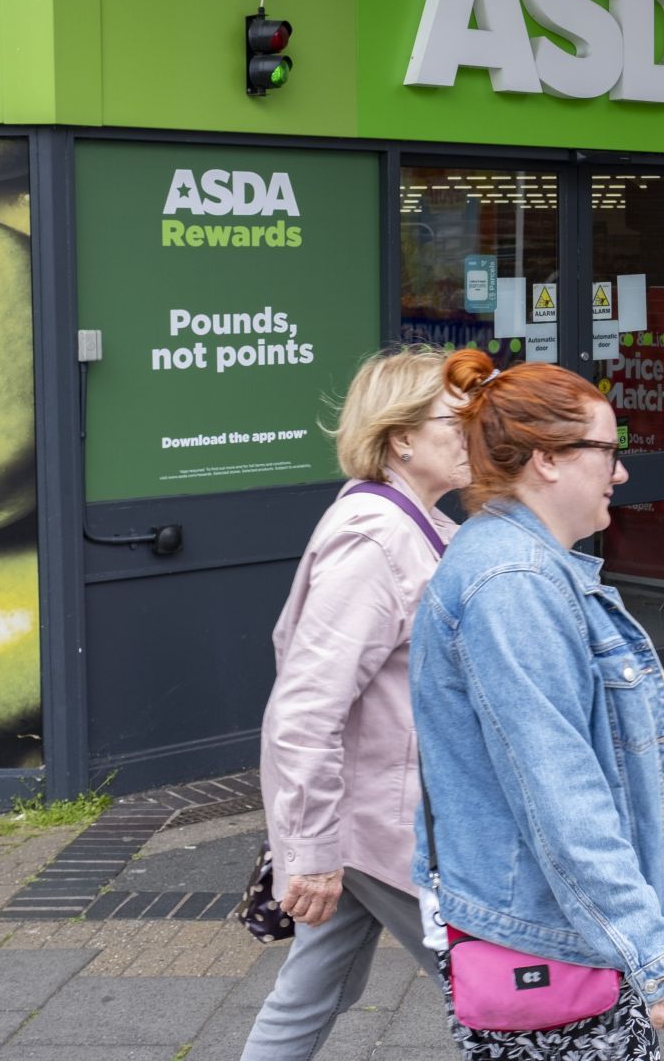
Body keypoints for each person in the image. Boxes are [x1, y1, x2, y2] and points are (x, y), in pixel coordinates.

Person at [410, 359, 664, 1059]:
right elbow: (560, 793)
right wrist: (655, 954)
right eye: (608, 452)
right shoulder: (514, 583)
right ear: (548, 460)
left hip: (555, 924)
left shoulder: (521, 567)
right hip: (546, 931)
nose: (619, 473)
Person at [242, 346, 477, 1061]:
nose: (475, 434)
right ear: (401, 436)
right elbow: (305, 708)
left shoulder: (417, 523)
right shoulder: (376, 538)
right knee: (509, 994)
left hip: (370, 818)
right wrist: (309, 850)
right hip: (387, 830)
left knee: (309, 991)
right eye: (457, 421)